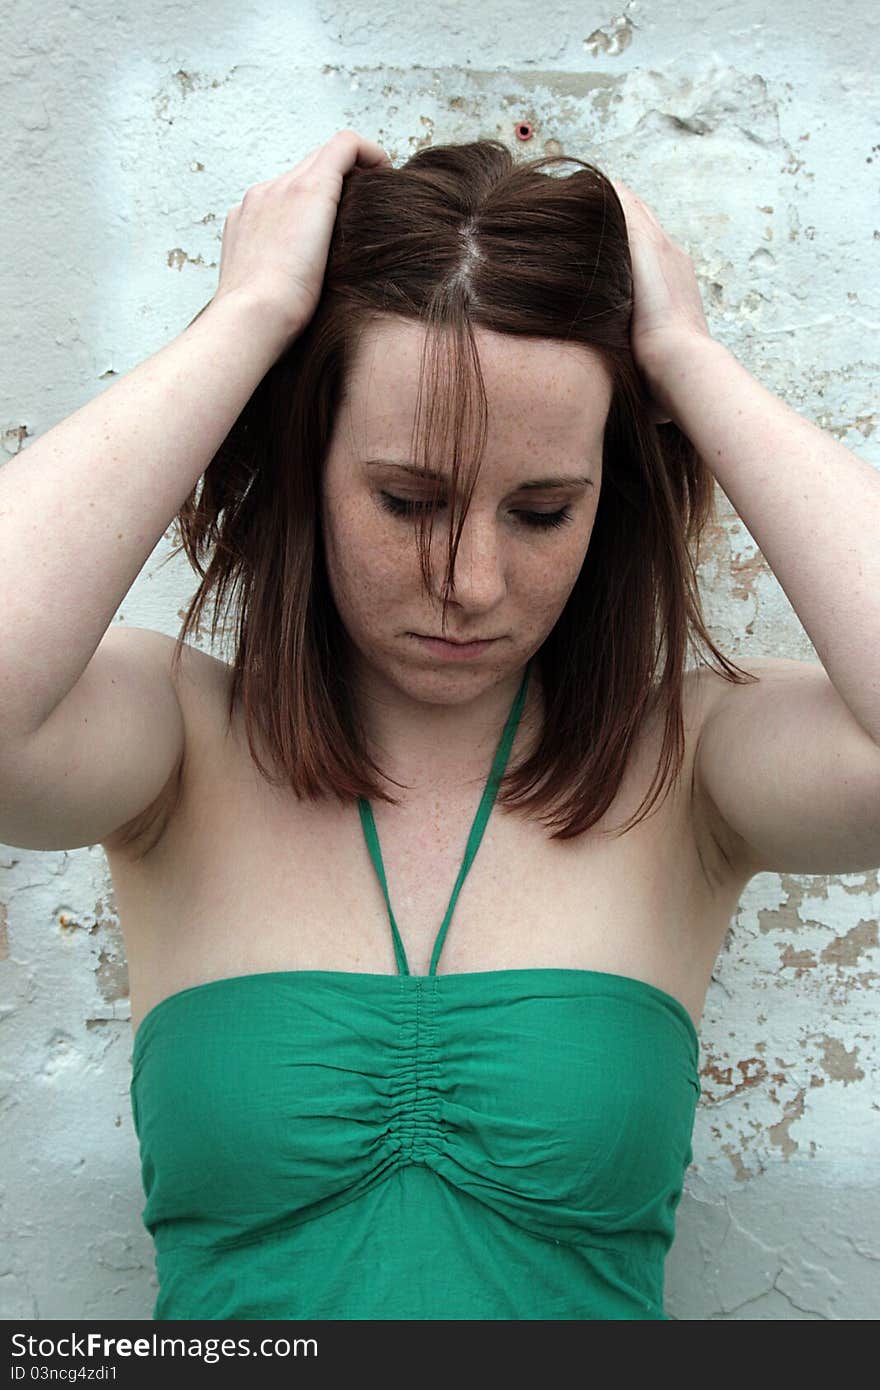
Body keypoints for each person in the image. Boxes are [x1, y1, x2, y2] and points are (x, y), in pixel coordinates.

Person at [2, 129, 878, 1322]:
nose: (468, 579)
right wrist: (247, 318)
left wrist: (689, 360)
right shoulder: (174, 745)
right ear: (306, 466)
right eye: (408, 499)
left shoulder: (686, 763)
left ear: (605, 504)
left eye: (541, 510)